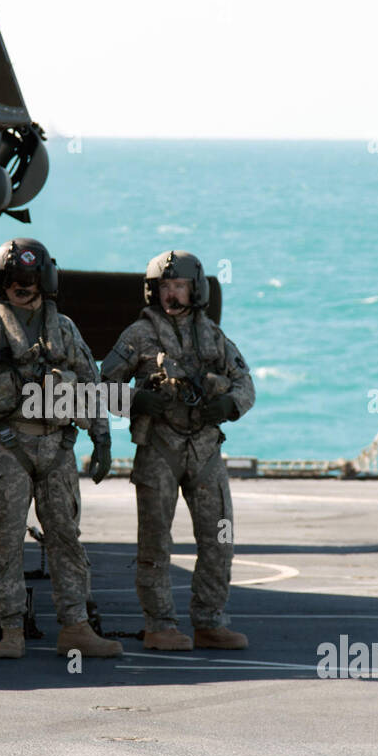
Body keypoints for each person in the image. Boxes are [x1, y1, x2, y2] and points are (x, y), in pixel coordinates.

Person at [0, 238, 122, 661]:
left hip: (56, 446)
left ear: (45, 281)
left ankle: (75, 626)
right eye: (15, 278)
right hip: (9, 444)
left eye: (30, 279)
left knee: (66, 539)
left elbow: (90, 383)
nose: (23, 286)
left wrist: (102, 438)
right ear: (1, 282)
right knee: (6, 539)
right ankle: (11, 627)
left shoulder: (65, 329)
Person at [101, 249, 255, 651]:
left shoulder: (214, 336)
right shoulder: (138, 336)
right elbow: (100, 388)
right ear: (154, 291)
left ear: (195, 289)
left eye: (180, 286)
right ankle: (160, 625)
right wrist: (135, 400)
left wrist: (230, 405)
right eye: (166, 286)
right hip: (158, 449)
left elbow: (245, 384)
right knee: (155, 541)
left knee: (219, 538)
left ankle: (210, 621)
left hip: (205, 449)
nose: (172, 294)